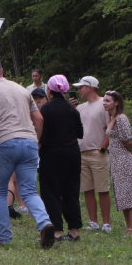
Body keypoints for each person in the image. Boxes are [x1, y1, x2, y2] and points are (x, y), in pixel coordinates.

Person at [0, 54, 55, 249]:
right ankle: (45, 223)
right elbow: (39, 120)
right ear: (1, 70)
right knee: (28, 190)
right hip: (28, 142)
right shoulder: (22, 89)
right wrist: (36, 144)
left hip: (5, 143)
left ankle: (4, 239)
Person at [38, 75, 83, 242]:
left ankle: (56, 230)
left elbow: (42, 135)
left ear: (49, 90)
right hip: (72, 153)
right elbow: (80, 133)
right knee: (71, 191)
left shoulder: (46, 110)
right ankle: (74, 230)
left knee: (51, 192)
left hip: (51, 154)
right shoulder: (73, 109)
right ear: (65, 90)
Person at [69, 76, 112, 231]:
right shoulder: (80, 108)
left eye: (81, 87)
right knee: (87, 188)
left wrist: (102, 147)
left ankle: (106, 222)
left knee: (102, 188)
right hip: (82, 152)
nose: (79, 90)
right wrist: (70, 108)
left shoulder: (103, 104)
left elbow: (109, 127)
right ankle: (93, 221)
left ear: (90, 88)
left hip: (97, 151)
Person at [103, 91, 132, 235]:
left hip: (124, 160)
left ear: (116, 102)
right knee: (122, 194)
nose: (104, 103)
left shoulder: (121, 118)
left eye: (108, 101)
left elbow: (128, 140)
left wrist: (130, 154)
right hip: (116, 160)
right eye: (104, 100)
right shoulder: (111, 118)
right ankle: (128, 227)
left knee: (129, 194)